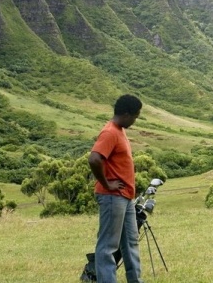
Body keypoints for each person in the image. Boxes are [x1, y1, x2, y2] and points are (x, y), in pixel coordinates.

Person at [88, 94, 144, 283]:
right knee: (108, 247)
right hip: (113, 196)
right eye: (135, 116)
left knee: (130, 242)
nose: (135, 121)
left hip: (125, 196)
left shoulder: (119, 130)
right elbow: (94, 159)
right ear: (127, 114)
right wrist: (106, 183)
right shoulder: (110, 132)